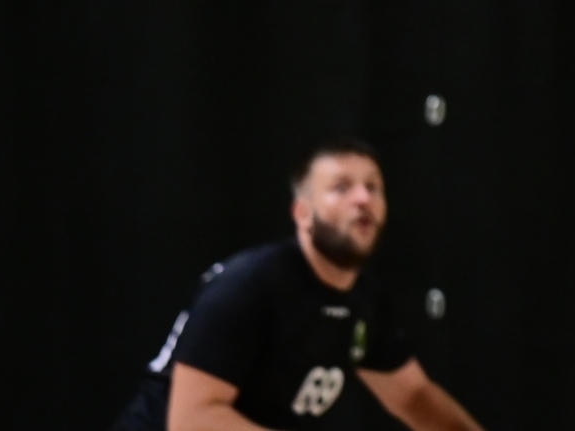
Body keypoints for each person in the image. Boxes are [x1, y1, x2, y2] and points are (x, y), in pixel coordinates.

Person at [112, 138, 485, 431]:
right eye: (342, 187)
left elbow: (414, 397)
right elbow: (192, 421)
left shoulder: (365, 299)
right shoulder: (249, 286)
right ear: (302, 213)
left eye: (373, 187)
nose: (363, 199)